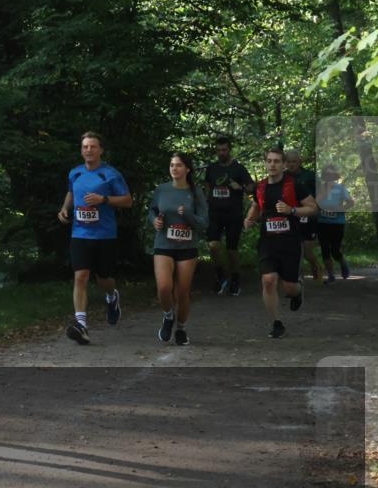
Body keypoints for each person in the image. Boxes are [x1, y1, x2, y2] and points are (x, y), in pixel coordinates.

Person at [57, 131, 133, 345]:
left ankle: (112, 296)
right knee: (80, 276)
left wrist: (104, 199)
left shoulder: (110, 174)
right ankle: (81, 325)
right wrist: (64, 209)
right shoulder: (75, 173)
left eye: (92, 146)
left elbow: (128, 201)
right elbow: (71, 192)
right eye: (85, 147)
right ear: (81, 151)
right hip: (80, 233)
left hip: (104, 234)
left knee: (104, 279)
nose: (88, 150)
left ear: (100, 150)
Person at [243, 148, 318, 339]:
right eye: (269, 161)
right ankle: (276, 323)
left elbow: (312, 208)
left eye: (277, 161)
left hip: (290, 242)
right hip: (268, 242)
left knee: (289, 287)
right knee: (268, 281)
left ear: (284, 164)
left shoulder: (295, 185)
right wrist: (249, 220)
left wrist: (291, 210)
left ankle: (297, 292)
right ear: (265, 163)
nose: (273, 165)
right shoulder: (260, 187)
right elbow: (256, 207)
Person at [147, 153, 208, 346]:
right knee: (164, 287)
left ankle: (181, 328)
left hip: (187, 247)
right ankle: (168, 315)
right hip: (163, 244)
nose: (174, 168)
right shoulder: (161, 190)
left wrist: (188, 215)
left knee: (182, 292)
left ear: (187, 169)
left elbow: (203, 223)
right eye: (172, 165)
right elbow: (152, 210)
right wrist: (154, 221)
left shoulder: (195, 192)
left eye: (179, 165)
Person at [204, 136, 255, 296]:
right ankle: (220, 275)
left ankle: (235, 279)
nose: (221, 153)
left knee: (232, 249)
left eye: (224, 150)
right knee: (213, 245)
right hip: (214, 213)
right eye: (219, 150)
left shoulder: (238, 168)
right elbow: (207, 186)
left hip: (233, 214)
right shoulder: (211, 168)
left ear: (229, 149)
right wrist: (207, 199)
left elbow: (251, 187)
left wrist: (240, 187)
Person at [285, 150, 323, 282]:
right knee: (293, 249)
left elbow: (322, 193)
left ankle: (316, 266)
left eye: (294, 161)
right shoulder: (283, 177)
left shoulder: (309, 176)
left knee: (307, 251)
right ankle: (297, 277)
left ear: (299, 161)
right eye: (288, 162)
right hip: (291, 216)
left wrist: (317, 206)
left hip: (309, 217)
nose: (291, 165)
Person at [316, 164, 354, 283]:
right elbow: (315, 203)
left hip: (337, 223)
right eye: (327, 175)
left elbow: (351, 202)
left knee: (335, 250)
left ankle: (343, 263)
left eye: (331, 175)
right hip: (322, 222)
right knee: (325, 250)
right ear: (324, 176)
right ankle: (331, 275)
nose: (329, 177)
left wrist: (340, 208)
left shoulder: (341, 188)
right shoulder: (320, 188)